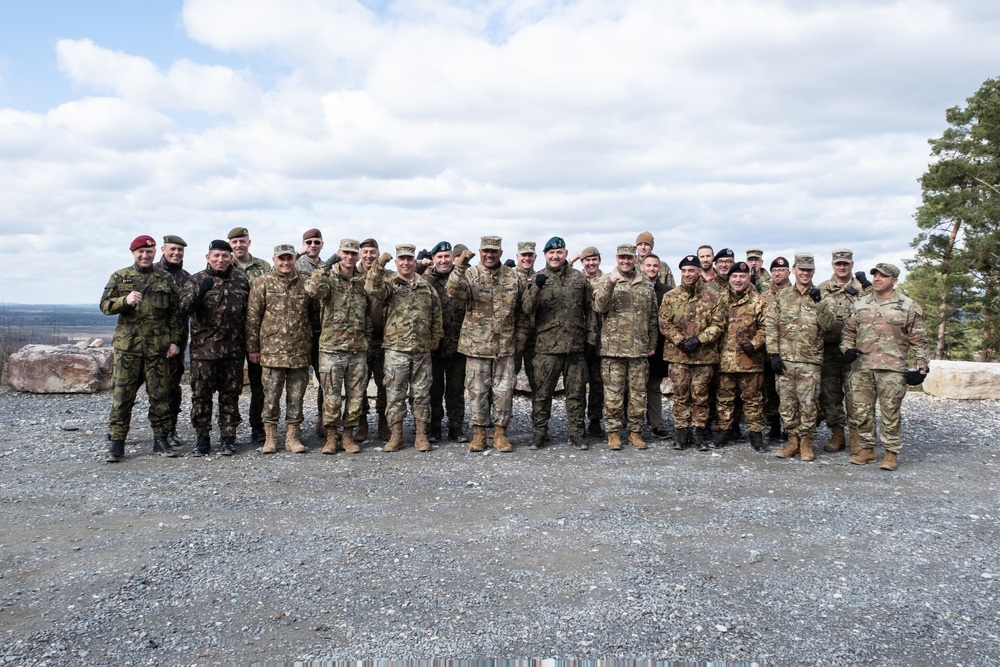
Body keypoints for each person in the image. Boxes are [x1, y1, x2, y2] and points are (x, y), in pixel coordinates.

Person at [100, 235, 183, 462]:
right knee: (122, 396)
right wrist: (123, 301)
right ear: (133, 253)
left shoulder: (164, 278)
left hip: (157, 348)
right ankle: (117, 442)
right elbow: (104, 305)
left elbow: (175, 314)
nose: (145, 256)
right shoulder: (121, 277)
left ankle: (161, 438)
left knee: (159, 396)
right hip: (129, 348)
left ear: (156, 252)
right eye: (141, 252)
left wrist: (175, 341)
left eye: (149, 252)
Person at [842, 263, 929, 471]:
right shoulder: (860, 304)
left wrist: (922, 368)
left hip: (892, 368)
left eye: (883, 276)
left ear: (894, 280)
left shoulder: (908, 306)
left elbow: (919, 339)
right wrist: (846, 349)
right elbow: (848, 332)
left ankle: (891, 453)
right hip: (862, 366)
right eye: (875, 275)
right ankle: (867, 449)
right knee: (861, 410)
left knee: (890, 412)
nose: (877, 279)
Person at [446, 236, 528, 452]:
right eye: (485, 251)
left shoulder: (513, 277)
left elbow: (522, 312)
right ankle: (479, 433)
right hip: (476, 345)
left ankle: (500, 433)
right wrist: (459, 266)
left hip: (505, 345)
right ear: (480, 252)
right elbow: (453, 291)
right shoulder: (470, 274)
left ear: (500, 253)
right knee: (477, 391)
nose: (489, 255)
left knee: (504, 392)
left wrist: (520, 338)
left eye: (494, 251)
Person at [522, 236, 596, 450]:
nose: (555, 256)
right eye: (551, 253)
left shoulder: (578, 278)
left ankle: (577, 434)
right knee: (542, 394)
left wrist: (591, 339)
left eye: (559, 252)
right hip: (546, 347)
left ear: (565, 254)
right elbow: (526, 309)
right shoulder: (537, 278)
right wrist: (535, 288)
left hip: (575, 347)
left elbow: (590, 310)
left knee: (576, 393)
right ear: (545, 256)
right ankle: (539, 433)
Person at [367, 244, 443, 452]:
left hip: (421, 349)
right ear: (397, 262)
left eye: (409, 259)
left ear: (414, 261)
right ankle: (396, 435)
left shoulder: (425, 286)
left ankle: (420, 435)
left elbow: (436, 314)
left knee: (421, 394)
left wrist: (436, 337)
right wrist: (379, 264)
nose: (406, 262)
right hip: (396, 349)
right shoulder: (389, 284)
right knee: (395, 394)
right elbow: (372, 288)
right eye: (402, 259)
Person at [179, 240, 251, 456]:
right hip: (205, 351)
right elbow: (183, 308)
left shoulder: (240, 280)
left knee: (230, 395)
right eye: (216, 256)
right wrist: (199, 292)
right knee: (201, 396)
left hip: (234, 350)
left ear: (231, 258)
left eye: (225, 256)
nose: (221, 260)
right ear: (208, 257)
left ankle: (228, 437)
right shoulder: (197, 279)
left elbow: (249, 313)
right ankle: (202, 438)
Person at [765, 253, 835, 461]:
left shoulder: (822, 296)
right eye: (801, 269)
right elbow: (771, 325)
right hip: (785, 360)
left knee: (808, 403)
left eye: (809, 270)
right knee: (786, 403)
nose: (805, 273)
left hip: (809, 360)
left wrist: (820, 304)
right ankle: (792, 440)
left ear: (813, 271)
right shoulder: (783, 296)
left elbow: (829, 326)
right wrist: (774, 354)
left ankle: (807, 442)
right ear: (794, 270)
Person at [245, 244, 313, 454]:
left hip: (299, 350)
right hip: (271, 351)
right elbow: (253, 317)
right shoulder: (262, 282)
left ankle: (293, 437)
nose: (285, 262)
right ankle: (270, 437)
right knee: (271, 397)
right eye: (281, 259)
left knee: (296, 397)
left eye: (289, 258)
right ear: (274, 260)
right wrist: (253, 348)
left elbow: (313, 314)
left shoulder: (305, 282)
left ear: (295, 259)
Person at [306, 239, 371, 454]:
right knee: (331, 396)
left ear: (358, 256)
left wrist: (366, 339)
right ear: (339, 253)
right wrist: (326, 265)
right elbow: (314, 291)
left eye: (354, 254)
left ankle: (348, 436)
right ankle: (331, 436)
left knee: (355, 396)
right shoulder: (329, 280)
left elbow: (368, 315)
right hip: (332, 348)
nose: (350, 257)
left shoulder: (362, 283)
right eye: (346, 253)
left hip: (357, 350)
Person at [593, 244, 658, 450]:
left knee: (638, 393)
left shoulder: (645, 283)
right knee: (613, 393)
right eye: (622, 258)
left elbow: (653, 316)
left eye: (629, 258)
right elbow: (599, 307)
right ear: (617, 258)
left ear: (634, 259)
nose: (626, 261)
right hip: (613, 349)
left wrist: (652, 343)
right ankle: (613, 433)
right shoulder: (606, 280)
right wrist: (611, 283)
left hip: (638, 349)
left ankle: (635, 432)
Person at [658, 254, 724, 450]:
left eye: (691, 271)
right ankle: (681, 432)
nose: (687, 274)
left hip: (703, 356)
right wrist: (680, 340)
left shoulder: (713, 296)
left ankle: (698, 432)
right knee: (680, 395)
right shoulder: (671, 296)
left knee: (701, 396)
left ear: (698, 272)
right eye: (684, 271)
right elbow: (664, 322)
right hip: (678, 355)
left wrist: (699, 340)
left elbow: (719, 324)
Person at [817, 248, 870, 454]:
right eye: (838, 263)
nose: (842, 267)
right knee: (831, 395)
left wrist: (867, 290)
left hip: (855, 353)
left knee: (856, 396)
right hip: (830, 351)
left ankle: (856, 437)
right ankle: (837, 434)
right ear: (832, 265)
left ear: (852, 265)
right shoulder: (822, 289)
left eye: (845, 264)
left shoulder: (864, 289)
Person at [714, 262, 767, 451]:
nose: (738, 280)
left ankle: (756, 434)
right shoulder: (719, 299)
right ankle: (724, 431)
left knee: (753, 399)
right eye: (735, 276)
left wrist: (755, 344)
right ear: (729, 278)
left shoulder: (758, 301)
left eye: (742, 277)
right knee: (724, 398)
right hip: (725, 360)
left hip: (749, 360)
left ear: (748, 278)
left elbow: (766, 327)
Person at [228, 226, 272, 444]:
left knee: (259, 384)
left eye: (242, 241)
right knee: (232, 384)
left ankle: (258, 425)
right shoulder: (223, 264)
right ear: (230, 245)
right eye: (234, 242)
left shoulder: (263, 267)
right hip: (232, 335)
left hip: (258, 334)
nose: (238, 245)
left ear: (249, 242)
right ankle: (230, 427)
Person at [423, 241, 469, 443]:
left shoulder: (462, 278)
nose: (443, 260)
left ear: (453, 258)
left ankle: (456, 428)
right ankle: (434, 428)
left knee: (456, 390)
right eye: (439, 257)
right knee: (434, 390)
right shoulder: (426, 282)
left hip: (458, 344)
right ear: (433, 259)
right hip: (434, 346)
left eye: (447, 256)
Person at [154, 234, 191, 447]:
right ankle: (120, 430)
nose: (176, 253)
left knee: (172, 386)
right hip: (151, 341)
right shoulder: (152, 273)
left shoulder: (187, 278)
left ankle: (170, 429)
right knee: (143, 387)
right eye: (173, 249)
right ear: (163, 250)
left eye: (180, 250)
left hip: (177, 341)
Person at [357, 238, 391, 443]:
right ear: (361, 254)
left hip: (383, 339)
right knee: (358, 385)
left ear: (378, 254)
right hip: (359, 340)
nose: (369, 256)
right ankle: (361, 422)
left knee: (384, 384)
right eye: (366, 252)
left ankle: (383, 422)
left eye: (373, 252)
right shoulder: (352, 275)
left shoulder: (388, 276)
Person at [570, 245, 606, 436]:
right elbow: (557, 271)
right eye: (587, 260)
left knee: (597, 382)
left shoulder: (606, 279)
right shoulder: (575, 278)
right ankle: (577, 422)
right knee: (577, 383)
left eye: (594, 259)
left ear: (599, 260)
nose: (591, 263)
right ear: (582, 262)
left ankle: (594, 419)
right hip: (578, 338)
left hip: (601, 339)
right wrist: (572, 259)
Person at [295, 228, 327, 437]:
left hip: (322, 332)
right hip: (300, 331)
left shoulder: (328, 268)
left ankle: (323, 421)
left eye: (316, 242)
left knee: (325, 381)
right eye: (309, 242)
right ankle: (294, 426)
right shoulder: (295, 265)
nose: (312, 246)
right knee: (297, 381)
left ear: (322, 244)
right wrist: (297, 255)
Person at [641, 253, 671, 438]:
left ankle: (656, 424)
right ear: (642, 267)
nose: (651, 269)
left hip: (658, 348)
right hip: (635, 347)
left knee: (653, 387)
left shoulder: (667, 292)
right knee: (632, 388)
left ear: (659, 268)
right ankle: (631, 424)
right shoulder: (632, 288)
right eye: (648, 265)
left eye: (655, 266)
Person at [761, 256, 791, 438]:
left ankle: (790, 427)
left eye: (781, 270)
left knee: (789, 393)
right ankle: (773, 425)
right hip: (767, 352)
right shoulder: (764, 297)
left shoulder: (796, 294)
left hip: (790, 352)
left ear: (789, 271)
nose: (778, 273)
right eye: (775, 271)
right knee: (770, 390)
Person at [513, 241, 538, 397]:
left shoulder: (541, 277)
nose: (527, 258)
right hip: (513, 338)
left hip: (535, 338)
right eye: (524, 255)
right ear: (517, 256)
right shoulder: (509, 277)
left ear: (535, 257)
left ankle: (539, 421)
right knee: (505, 382)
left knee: (538, 381)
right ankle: (499, 419)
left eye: (530, 255)